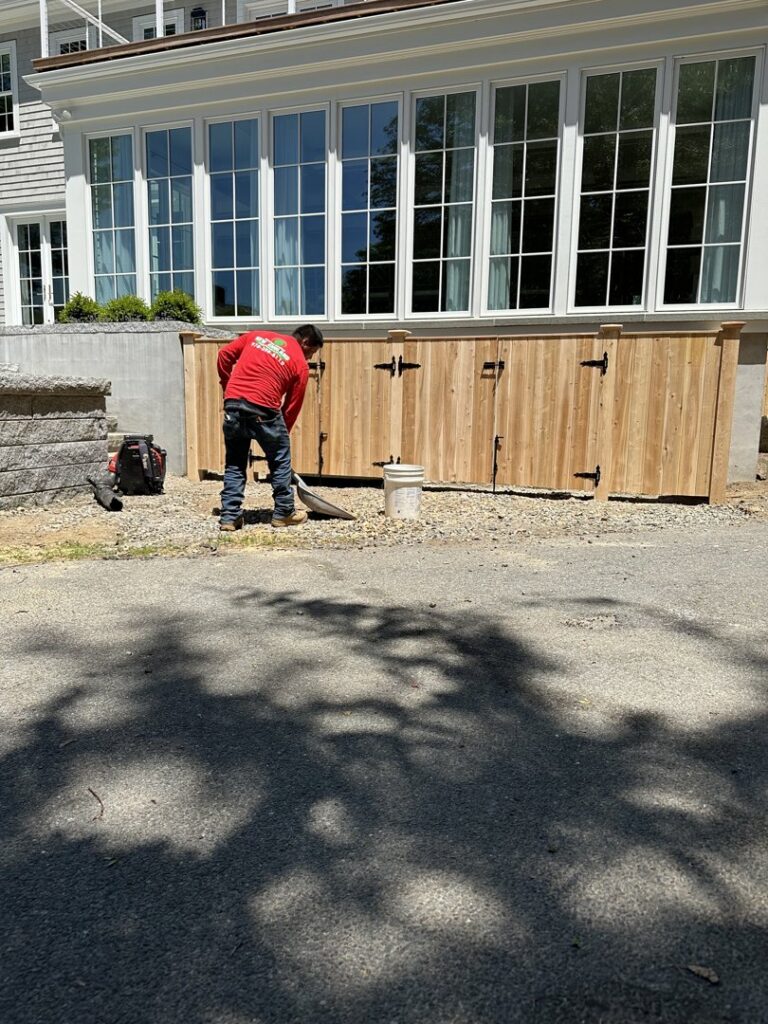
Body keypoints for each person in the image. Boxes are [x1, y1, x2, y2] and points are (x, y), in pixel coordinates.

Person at [216, 324, 324, 531]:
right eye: (311, 352)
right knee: (280, 460)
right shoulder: (299, 363)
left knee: (235, 463)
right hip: (264, 409)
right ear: (305, 343)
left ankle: (229, 517)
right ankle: (284, 512)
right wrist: (281, 437)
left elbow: (224, 354)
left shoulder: (256, 336)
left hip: (233, 405)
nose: (309, 358)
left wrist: (227, 386)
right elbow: (292, 406)